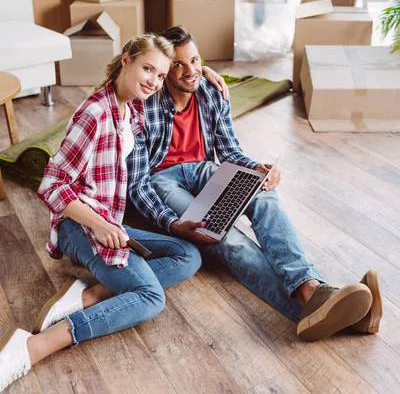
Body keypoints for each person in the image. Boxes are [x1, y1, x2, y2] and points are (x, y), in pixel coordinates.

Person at [125, 26, 382, 342]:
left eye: (195, 60)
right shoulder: (142, 102)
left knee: (265, 197)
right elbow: (137, 182)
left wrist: (256, 168)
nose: (191, 71)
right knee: (227, 238)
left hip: (206, 170)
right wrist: (172, 223)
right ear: (164, 70)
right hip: (160, 181)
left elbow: (230, 151)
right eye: (178, 64)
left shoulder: (210, 92)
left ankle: (311, 290)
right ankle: (318, 308)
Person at [0, 33, 202, 393]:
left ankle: (89, 295)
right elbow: (51, 185)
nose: (153, 82)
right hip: (78, 227)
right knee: (151, 298)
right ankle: (35, 345)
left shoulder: (134, 110)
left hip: (108, 223)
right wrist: (98, 224)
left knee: (187, 254)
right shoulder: (94, 114)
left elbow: (136, 182)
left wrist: (209, 74)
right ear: (125, 59)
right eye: (147, 69)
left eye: (159, 75)